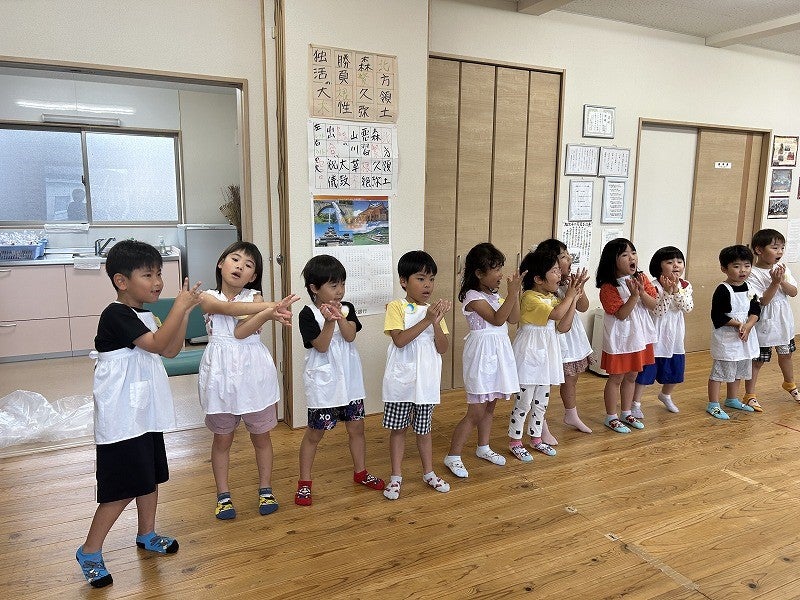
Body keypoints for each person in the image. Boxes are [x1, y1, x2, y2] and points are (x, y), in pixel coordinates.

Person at [76, 240, 202, 588]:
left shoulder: (145, 314)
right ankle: (89, 550)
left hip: (144, 411)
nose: (157, 281)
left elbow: (170, 350)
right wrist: (179, 306)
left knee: (150, 476)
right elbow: (158, 344)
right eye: (148, 275)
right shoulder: (116, 314)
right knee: (121, 488)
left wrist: (184, 313)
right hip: (122, 417)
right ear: (121, 281)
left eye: (159, 273)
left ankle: (147, 533)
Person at [197, 242, 299, 520]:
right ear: (221, 263)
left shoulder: (255, 297)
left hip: (253, 375)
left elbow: (241, 332)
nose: (240, 266)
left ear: (253, 276)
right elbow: (225, 309)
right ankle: (223, 495)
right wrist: (273, 308)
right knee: (222, 439)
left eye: (249, 264)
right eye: (235, 259)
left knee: (261, 436)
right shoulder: (206, 297)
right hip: (220, 376)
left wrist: (265, 310)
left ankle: (265, 489)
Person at [296, 254, 384, 506]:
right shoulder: (307, 314)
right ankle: (304, 483)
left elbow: (350, 336)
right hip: (324, 384)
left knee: (357, 428)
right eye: (333, 285)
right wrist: (328, 322)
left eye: (342, 284)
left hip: (350, 381)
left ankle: (360, 472)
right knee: (315, 434)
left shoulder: (347, 308)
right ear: (314, 288)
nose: (340, 290)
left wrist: (340, 316)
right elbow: (322, 346)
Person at [444, 242, 521, 478]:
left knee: (490, 405)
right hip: (481, 357)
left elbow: (513, 318)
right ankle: (453, 455)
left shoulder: (495, 295)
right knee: (475, 411)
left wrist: (514, 294)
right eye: (495, 269)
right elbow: (497, 319)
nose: (500, 274)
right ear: (479, 273)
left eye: (500, 268)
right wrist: (512, 293)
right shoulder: (472, 296)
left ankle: (483, 447)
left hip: (498, 354)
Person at [382, 251, 451, 500]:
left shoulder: (434, 312)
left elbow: (442, 347)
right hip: (401, 382)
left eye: (431, 279)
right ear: (404, 281)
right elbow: (400, 340)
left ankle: (428, 473)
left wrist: (436, 322)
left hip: (426, 382)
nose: (427, 285)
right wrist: (428, 319)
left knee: (424, 430)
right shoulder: (396, 307)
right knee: (398, 429)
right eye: (421, 279)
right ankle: (396, 477)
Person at [506, 248, 583, 461]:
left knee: (542, 401)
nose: (559, 274)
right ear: (539, 279)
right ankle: (515, 441)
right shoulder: (530, 297)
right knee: (524, 402)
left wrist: (574, 299)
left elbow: (563, 326)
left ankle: (536, 438)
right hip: (529, 356)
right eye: (555, 271)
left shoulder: (552, 298)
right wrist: (569, 296)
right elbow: (556, 314)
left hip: (546, 356)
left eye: (559, 270)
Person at [596, 238, 658, 433]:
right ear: (612, 260)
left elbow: (654, 304)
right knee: (616, 377)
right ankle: (611, 416)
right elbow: (621, 314)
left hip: (639, 337)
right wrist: (634, 296)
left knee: (632, 375)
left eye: (633, 252)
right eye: (624, 254)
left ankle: (626, 412)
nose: (632, 258)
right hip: (621, 339)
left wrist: (641, 292)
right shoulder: (608, 286)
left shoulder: (641, 277)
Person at [534, 239, 593, 439]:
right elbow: (557, 314)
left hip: (572, 337)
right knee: (545, 383)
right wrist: (569, 294)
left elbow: (583, 307)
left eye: (568, 255)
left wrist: (578, 288)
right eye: (563, 257)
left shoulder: (569, 282)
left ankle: (571, 414)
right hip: (553, 338)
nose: (569, 259)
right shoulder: (545, 286)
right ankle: (540, 423)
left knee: (571, 378)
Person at [631, 246, 694, 418]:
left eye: (679, 261)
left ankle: (665, 395)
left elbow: (687, 308)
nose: (676, 265)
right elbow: (660, 311)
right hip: (655, 332)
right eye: (670, 262)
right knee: (646, 371)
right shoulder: (653, 286)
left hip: (675, 334)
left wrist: (676, 290)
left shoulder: (686, 285)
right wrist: (667, 292)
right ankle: (635, 403)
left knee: (675, 368)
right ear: (659, 266)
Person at [743, 229, 798, 410]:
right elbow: (763, 301)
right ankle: (750, 394)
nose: (779, 252)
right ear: (759, 250)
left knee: (786, 354)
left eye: (782, 248)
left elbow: (793, 292)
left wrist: (781, 280)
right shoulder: (752, 273)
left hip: (783, 319)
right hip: (764, 320)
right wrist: (774, 283)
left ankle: (790, 384)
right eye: (775, 248)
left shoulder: (782, 269)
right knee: (758, 360)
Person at [706, 245, 761, 419]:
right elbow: (717, 316)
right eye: (737, 266)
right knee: (720, 371)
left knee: (739, 368)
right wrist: (739, 325)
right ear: (724, 268)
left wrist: (749, 325)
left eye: (747, 265)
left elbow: (756, 310)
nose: (742, 270)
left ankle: (732, 399)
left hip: (745, 336)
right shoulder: (723, 289)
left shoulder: (750, 287)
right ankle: (713, 404)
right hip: (728, 337)